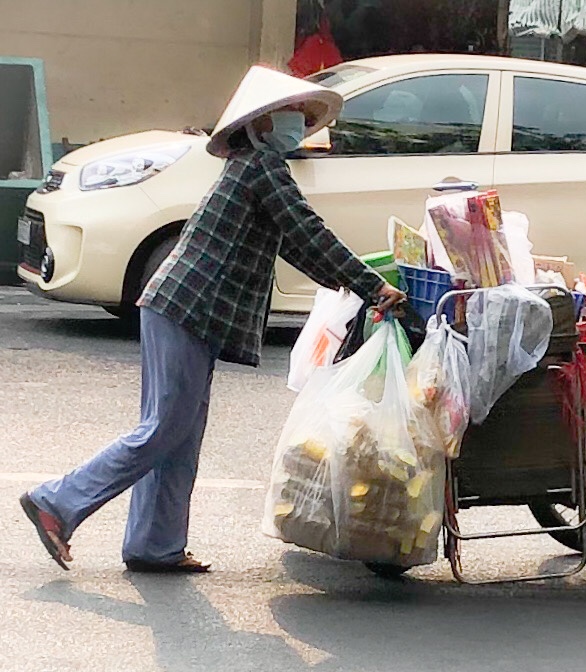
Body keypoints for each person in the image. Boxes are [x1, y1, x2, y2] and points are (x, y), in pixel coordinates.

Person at [20, 66, 406, 573]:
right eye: (290, 114)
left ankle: (154, 545)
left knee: (179, 433)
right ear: (261, 123)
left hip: (182, 310)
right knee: (165, 427)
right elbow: (308, 232)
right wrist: (372, 286)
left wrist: (356, 285)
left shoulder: (253, 167)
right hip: (185, 308)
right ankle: (56, 502)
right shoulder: (262, 168)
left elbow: (297, 245)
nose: (298, 124)